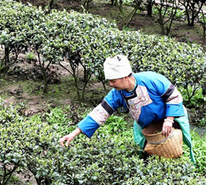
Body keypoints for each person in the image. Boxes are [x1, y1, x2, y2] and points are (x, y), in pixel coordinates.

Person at [59, 54, 195, 163]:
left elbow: (174, 96)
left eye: (114, 81)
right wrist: (73, 133)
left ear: (125, 77)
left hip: (168, 119)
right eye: (109, 81)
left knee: (173, 150)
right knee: (150, 155)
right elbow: (100, 113)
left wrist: (169, 120)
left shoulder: (152, 80)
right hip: (147, 127)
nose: (111, 84)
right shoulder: (116, 94)